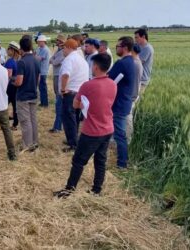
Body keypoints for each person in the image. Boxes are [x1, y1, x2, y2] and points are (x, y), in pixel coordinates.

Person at [53, 53, 117, 198]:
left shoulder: (88, 85)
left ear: (95, 66)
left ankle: (69, 190)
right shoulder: (112, 84)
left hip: (92, 131)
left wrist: (85, 104)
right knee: (100, 160)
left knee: (78, 161)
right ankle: (96, 189)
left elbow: (76, 104)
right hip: (107, 128)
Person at [108, 36, 136, 169]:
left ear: (124, 48)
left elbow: (108, 78)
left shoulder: (122, 63)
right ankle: (121, 161)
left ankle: (122, 163)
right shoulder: (132, 61)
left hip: (118, 104)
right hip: (125, 102)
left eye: (117, 46)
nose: (116, 48)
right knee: (119, 134)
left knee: (119, 135)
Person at [59, 39, 89, 152]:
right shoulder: (81, 59)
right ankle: (74, 139)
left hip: (71, 93)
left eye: (64, 48)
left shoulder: (69, 59)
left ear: (68, 47)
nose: (63, 50)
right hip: (80, 92)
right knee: (75, 117)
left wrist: (62, 89)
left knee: (68, 118)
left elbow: (66, 74)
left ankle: (72, 144)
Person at [14, 35, 40, 152]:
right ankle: (35, 142)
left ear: (21, 48)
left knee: (25, 121)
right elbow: (38, 78)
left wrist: (12, 81)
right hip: (33, 94)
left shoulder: (22, 62)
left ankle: (27, 145)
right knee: (33, 119)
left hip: (23, 96)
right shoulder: (36, 59)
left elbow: (19, 82)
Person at [48, 34, 66, 133]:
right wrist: (53, 60)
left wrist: (53, 60)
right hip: (56, 75)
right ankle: (57, 125)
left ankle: (58, 126)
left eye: (58, 41)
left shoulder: (63, 51)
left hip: (59, 75)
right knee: (58, 100)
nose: (57, 42)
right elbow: (51, 59)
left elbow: (54, 62)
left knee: (59, 101)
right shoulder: (59, 50)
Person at [127, 44, 143, 143]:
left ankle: (128, 140)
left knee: (128, 118)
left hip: (130, 95)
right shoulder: (138, 62)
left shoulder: (134, 63)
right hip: (133, 94)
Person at [4, 41, 21, 130]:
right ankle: (15, 123)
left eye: (9, 49)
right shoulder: (17, 60)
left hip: (10, 87)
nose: (7, 50)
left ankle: (7, 123)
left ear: (13, 50)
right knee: (15, 105)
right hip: (15, 87)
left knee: (4, 104)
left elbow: (8, 76)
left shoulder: (10, 62)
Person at [134, 28, 154, 94]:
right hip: (137, 78)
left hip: (142, 79)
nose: (135, 40)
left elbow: (138, 62)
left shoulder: (147, 48)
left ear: (143, 37)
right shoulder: (138, 46)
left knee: (137, 99)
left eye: (137, 37)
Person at [35, 35, 51, 107]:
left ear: (43, 42)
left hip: (43, 71)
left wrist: (32, 56)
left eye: (39, 41)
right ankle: (43, 102)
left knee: (43, 87)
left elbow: (39, 58)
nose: (38, 43)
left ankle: (45, 103)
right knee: (41, 87)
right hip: (40, 71)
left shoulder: (45, 50)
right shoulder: (39, 48)